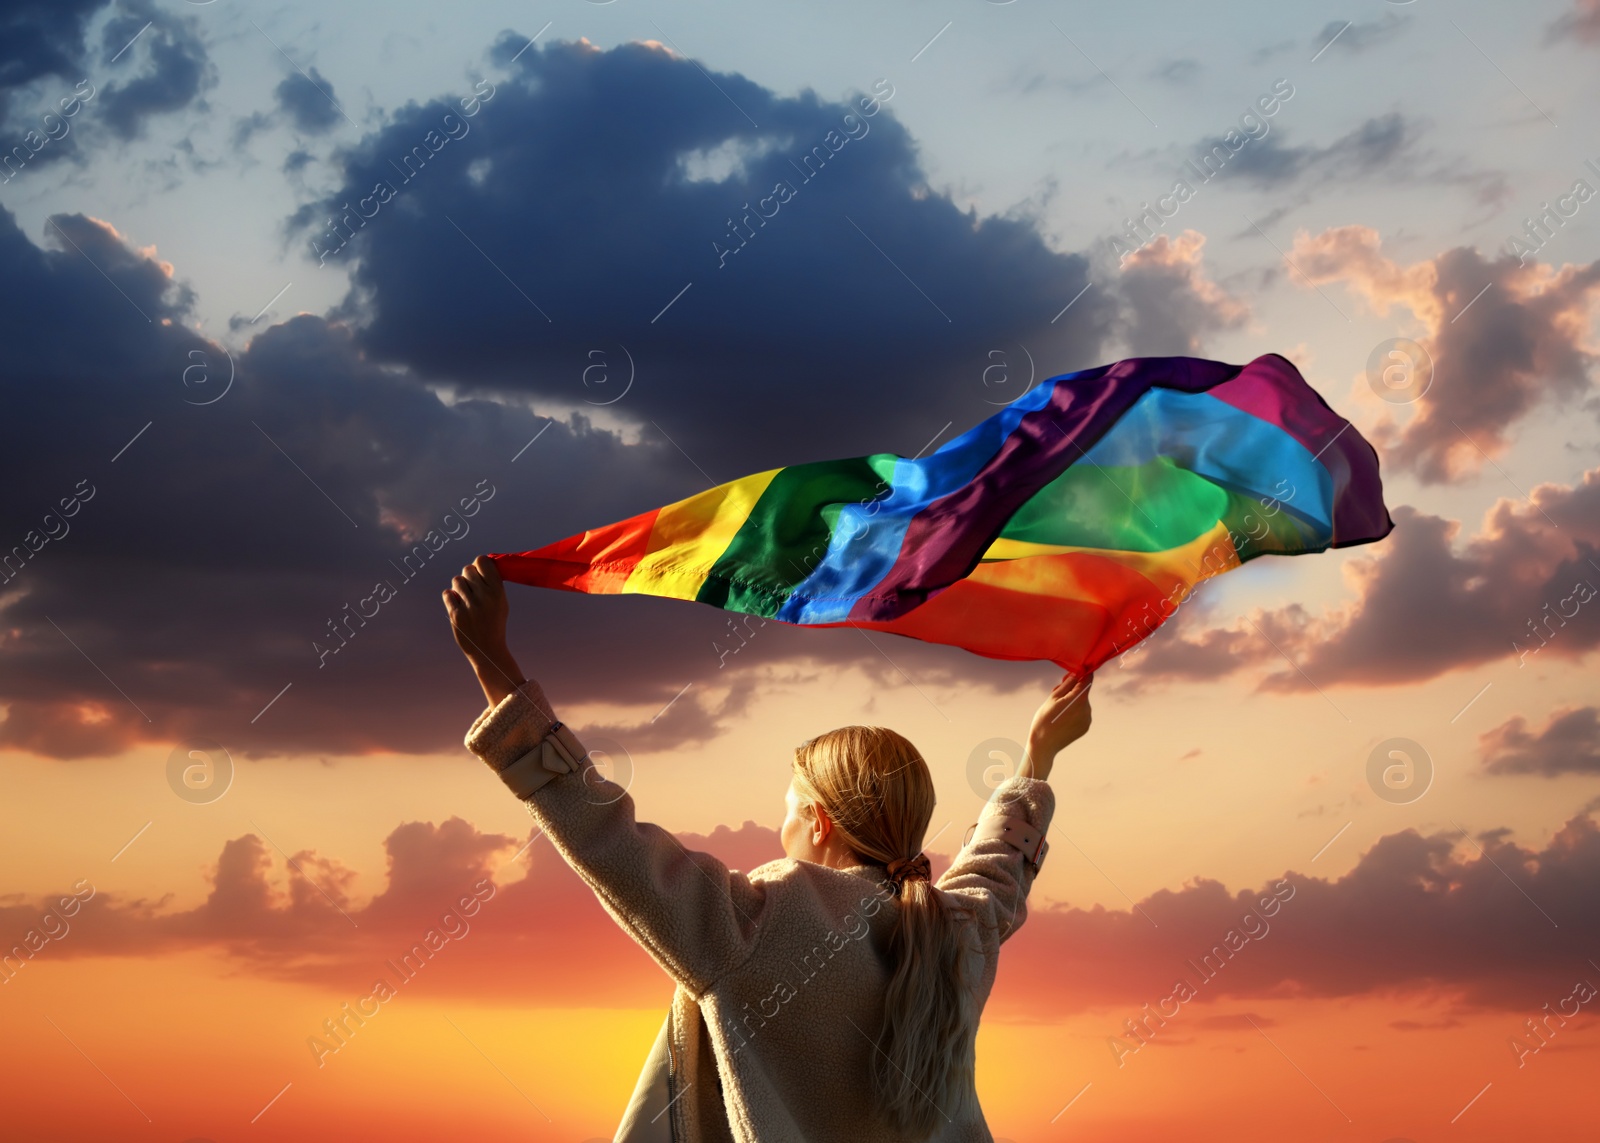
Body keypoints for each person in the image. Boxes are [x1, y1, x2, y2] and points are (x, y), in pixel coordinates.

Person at [444, 555, 1093, 1143]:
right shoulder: (957, 934)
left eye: (786, 807)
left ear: (818, 820)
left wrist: (493, 664)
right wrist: (1039, 754)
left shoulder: (753, 924)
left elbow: (604, 837)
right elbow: (999, 863)